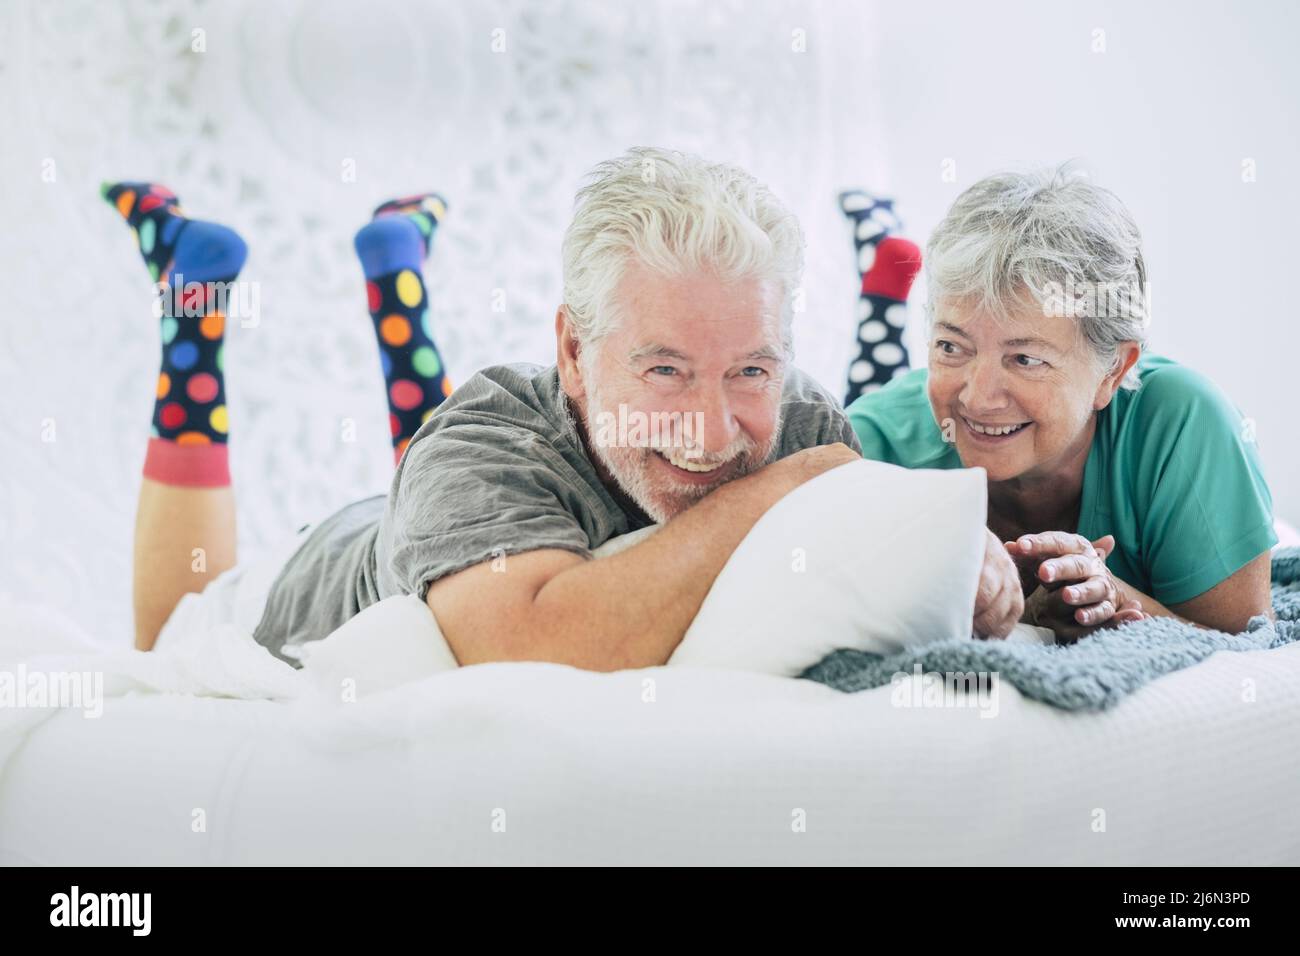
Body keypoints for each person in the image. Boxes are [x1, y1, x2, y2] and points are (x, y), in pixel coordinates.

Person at [110, 148, 1025, 671]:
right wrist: (806, 482)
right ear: (574, 353)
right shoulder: (481, 447)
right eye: (664, 371)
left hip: (449, 520)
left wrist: (970, 566)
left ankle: (397, 285)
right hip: (316, 566)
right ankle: (191, 314)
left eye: (749, 370)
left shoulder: (796, 420)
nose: (715, 433)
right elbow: (537, 649)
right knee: (165, 633)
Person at [847, 166, 1276, 641]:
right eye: (951, 346)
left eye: (1025, 358)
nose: (978, 397)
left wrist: (1113, 595)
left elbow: (1248, 647)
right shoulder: (872, 440)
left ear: (1112, 370)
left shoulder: (1184, 425)